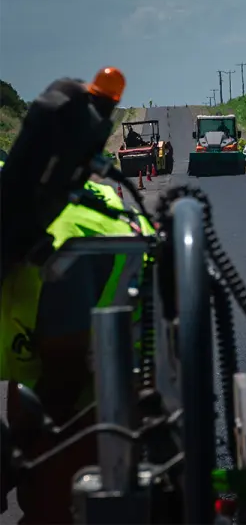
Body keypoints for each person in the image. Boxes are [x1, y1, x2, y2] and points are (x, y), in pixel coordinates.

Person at [0, 79, 152, 524]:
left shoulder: (56, 247)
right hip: (68, 357)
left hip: (103, 379)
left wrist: (18, 455)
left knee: (59, 503)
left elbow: (63, 379)